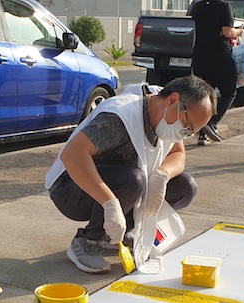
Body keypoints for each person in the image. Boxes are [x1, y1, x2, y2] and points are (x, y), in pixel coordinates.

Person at [45, 76, 215, 274]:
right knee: (134, 179)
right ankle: (88, 240)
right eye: (187, 127)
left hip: (122, 181)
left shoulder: (166, 112)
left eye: (191, 132)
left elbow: (178, 154)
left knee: (185, 187)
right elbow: (73, 155)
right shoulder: (121, 116)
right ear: (172, 101)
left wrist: (162, 175)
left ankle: (126, 231)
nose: (186, 134)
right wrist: (109, 203)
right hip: (71, 188)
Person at [187, 0, 244, 146]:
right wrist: (239, 31)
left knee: (204, 94)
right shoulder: (224, 6)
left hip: (200, 56)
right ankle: (212, 123)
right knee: (229, 92)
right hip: (220, 56)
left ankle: (202, 132)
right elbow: (227, 32)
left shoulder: (198, 6)